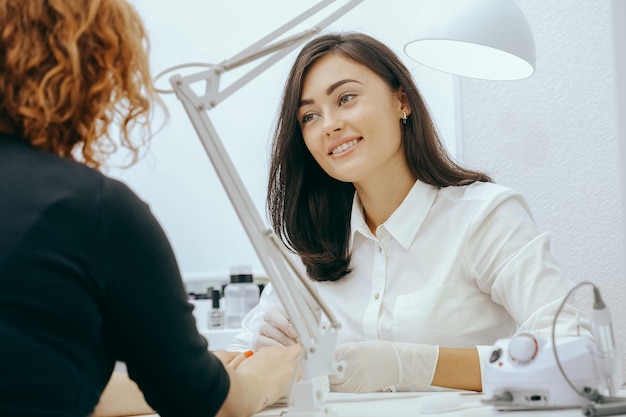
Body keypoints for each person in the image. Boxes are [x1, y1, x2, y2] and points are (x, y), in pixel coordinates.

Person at [229, 32, 588, 393]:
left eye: (346, 98)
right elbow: (232, 364)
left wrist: (413, 365)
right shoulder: (309, 244)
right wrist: (260, 358)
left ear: (402, 101)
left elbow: (578, 358)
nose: (329, 125)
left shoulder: (484, 217)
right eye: (309, 116)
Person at [0, 1, 300, 416]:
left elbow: (46, 378)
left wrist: (176, 373)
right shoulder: (93, 210)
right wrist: (267, 376)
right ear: (95, 70)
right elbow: (207, 404)